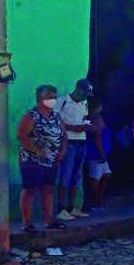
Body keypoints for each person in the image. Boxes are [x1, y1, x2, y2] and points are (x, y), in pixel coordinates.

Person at [17, 85, 68, 232]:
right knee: (30, 190)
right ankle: (27, 223)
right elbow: (21, 135)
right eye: (50, 96)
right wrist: (37, 151)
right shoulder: (32, 116)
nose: (54, 99)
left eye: (54, 96)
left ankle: (49, 220)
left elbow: (64, 135)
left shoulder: (56, 116)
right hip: (32, 160)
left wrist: (63, 150)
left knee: (49, 189)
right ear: (40, 99)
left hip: (52, 160)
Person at [55, 79, 94, 221]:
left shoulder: (84, 103)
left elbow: (84, 119)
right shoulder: (62, 102)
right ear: (78, 89)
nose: (86, 96)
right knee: (65, 175)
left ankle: (71, 207)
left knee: (76, 176)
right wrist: (72, 128)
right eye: (85, 93)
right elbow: (55, 121)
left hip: (82, 142)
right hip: (68, 142)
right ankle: (61, 208)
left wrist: (86, 127)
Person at [84, 98, 111, 213]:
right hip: (96, 153)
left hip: (100, 152)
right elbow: (98, 138)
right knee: (95, 177)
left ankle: (99, 199)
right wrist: (101, 153)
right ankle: (96, 201)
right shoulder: (95, 118)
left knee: (106, 174)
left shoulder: (95, 118)